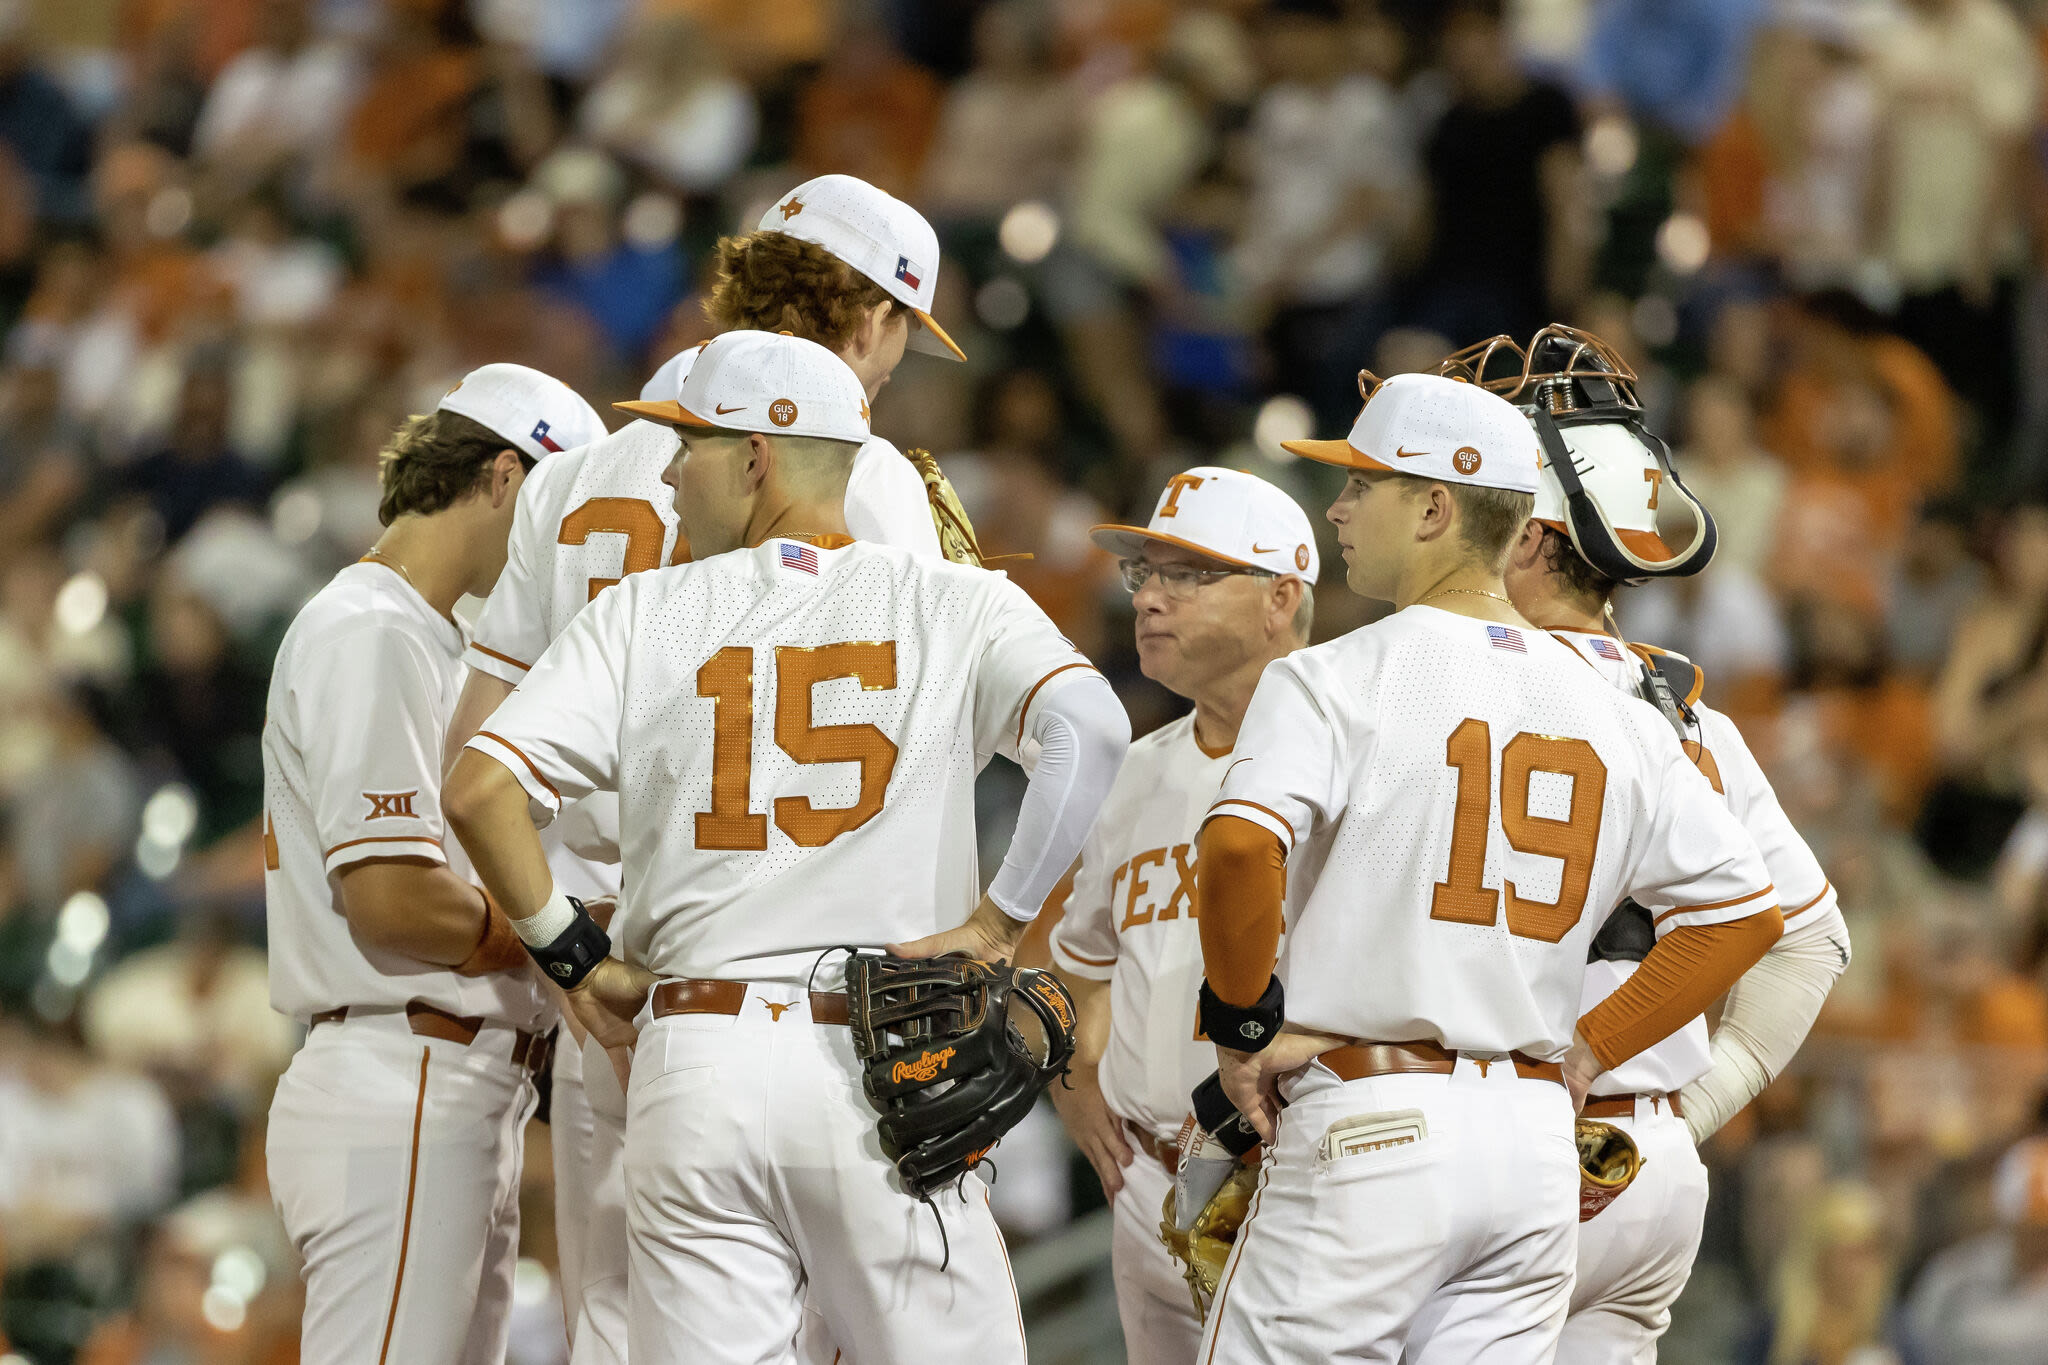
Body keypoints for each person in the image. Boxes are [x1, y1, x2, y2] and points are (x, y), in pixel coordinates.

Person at [441, 330, 1130, 1364]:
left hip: (695, 1057)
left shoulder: (645, 611)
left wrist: (570, 959)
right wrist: (998, 922)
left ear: (757, 456)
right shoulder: (947, 598)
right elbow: (1093, 734)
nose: (670, 475)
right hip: (885, 1054)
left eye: (692, 447)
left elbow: (480, 785)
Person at [440, 170, 970, 1365]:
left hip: (607, 967)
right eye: (901, 336)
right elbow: (931, 734)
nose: (893, 368)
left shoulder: (574, 475)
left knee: (624, 1327)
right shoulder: (858, 470)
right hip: (803, 974)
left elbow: (471, 747)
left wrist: (560, 944)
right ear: (869, 317)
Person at [1188, 371, 1783, 1362]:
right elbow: (1743, 914)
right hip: (1531, 1148)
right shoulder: (1617, 707)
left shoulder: (1334, 674)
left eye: (1359, 484)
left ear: (1433, 506)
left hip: (1371, 1125)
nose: (1335, 508)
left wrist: (1241, 1023)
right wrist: (1589, 1049)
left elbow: (1241, 844)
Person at [1479, 326, 1852, 1361]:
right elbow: (1811, 941)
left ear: (1524, 537)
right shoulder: (1688, 718)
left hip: (1487, 1145)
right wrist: (1681, 1116)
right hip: (1639, 1162)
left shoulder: (1447, 696)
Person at [261, 364, 605, 1365]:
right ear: (503, 479)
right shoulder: (369, 629)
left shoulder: (428, 634)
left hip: (449, 1080)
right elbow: (392, 899)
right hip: (404, 1067)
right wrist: (554, 943)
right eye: (554, 511)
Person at [1023, 467, 1319, 1364]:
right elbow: (1080, 960)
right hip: (1150, 1179)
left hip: (1298, 1181)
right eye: (1144, 574)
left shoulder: (1359, 753)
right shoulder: (1138, 769)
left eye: (1188, 575)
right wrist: (1074, 1079)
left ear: (1281, 598)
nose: (1150, 597)